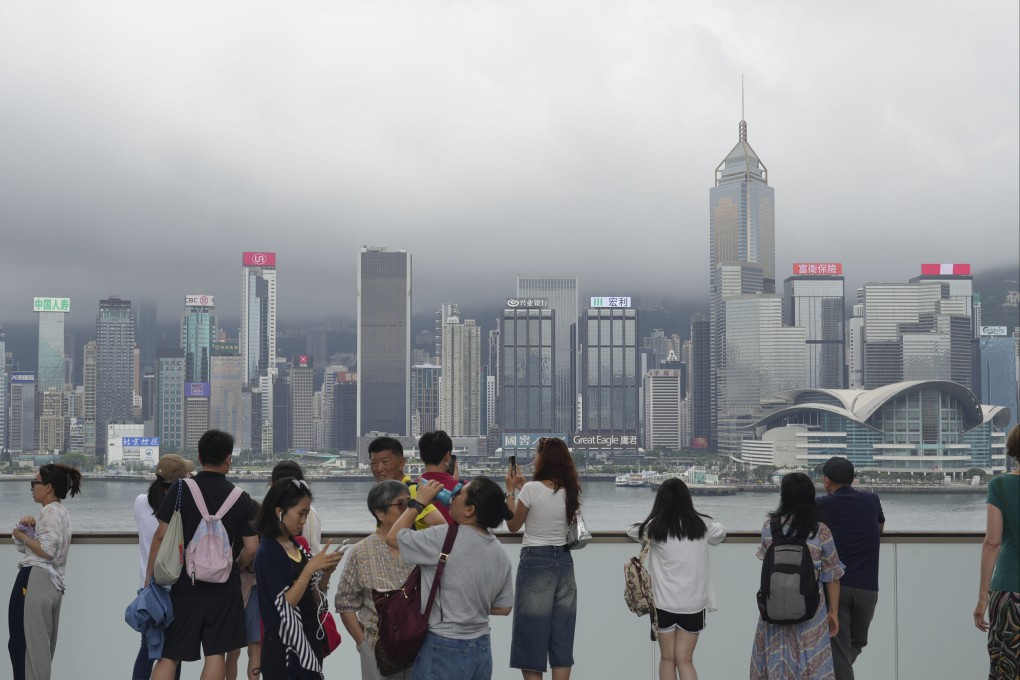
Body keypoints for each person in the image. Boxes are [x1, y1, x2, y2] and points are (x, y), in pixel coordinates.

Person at [145, 429, 259, 680]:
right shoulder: (241, 498)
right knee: (216, 654)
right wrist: (234, 568)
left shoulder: (181, 489)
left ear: (199, 456)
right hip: (224, 588)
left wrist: (150, 578)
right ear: (229, 458)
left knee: (170, 654)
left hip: (186, 585)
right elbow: (252, 547)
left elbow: (161, 536)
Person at [386, 476, 514, 680]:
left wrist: (418, 503)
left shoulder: (444, 536)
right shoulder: (500, 551)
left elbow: (393, 538)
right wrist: (467, 603)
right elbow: (505, 607)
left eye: (458, 494)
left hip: (444, 646)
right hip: (481, 648)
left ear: (469, 510)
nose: (451, 497)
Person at [626, 478, 726, 680]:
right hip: (693, 604)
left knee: (667, 658)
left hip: (663, 603)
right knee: (686, 660)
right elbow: (720, 534)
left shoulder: (654, 527)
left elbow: (631, 529)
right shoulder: (702, 524)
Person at [750, 472, 844, 680]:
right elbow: (832, 575)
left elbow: (765, 559)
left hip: (774, 607)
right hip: (811, 608)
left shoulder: (769, 526)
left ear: (784, 495)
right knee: (810, 658)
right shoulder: (821, 530)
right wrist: (833, 613)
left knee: (776, 657)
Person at [504, 437, 581, 680]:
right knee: (562, 636)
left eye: (537, 455)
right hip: (565, 563)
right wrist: (523, 489)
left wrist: (509, 492)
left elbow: (514, 525)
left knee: (531, 635)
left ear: (543, 459)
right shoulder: (570, 490)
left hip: (535, 561)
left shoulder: (531, 490)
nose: (534, 459)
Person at [255, 477, 343, 680]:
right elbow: (284, 604)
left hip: (308, 637)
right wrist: (309, 569)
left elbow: (314, 598)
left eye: (306, 513)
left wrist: (324, 577)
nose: (304, 520)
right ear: (279, 512)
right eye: (300, 513)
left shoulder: (297, 546)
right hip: (284, 647)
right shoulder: (268, 551)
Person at [335, 480, 415, 679]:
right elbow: (344, 602)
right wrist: (362, 643)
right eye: (400, 505)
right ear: (380, 513)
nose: (409, 510)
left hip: (418, 644)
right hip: (377, 647)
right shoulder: (361, 552)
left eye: (411, 503)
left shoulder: (419, 543)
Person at [9, 463, 82, 680]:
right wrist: (28, 531)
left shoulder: (49, 512)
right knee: (40, 649)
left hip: (36, 580)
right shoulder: (60, 512)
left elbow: (46, 550)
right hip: (53, 583)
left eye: (35, 483)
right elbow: (42, 546)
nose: (32, 487)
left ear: (48, 487)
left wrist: (22, 536)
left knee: (25, 646)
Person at [817, 456, 884, 680]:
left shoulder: (823, 505)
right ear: (853, 479)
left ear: (827, 480)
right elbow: (880, 525)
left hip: (837, 587)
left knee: (839, 648)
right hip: (868, 586)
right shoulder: (871, 500)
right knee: (857, 642)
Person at [133, 454, 193, 680]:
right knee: (173, 652)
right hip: (177, 587)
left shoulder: (141, 502)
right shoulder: (184, 508)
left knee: (147, 648)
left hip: (149, 588)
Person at [974, 423, 1020, 679]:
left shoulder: (1000, 485)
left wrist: (983, 597)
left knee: (1006, 665)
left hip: (1008, 592)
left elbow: (992, 542)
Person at [368, 437, 445, 530]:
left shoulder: (410, 492)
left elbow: (441, 526)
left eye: (385, 462)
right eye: (374, 463)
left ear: (401, 462)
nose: (379, 468)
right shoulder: (382, 493)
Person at [272, 461, 322, 552]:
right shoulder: (312, 512)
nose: (302, 521)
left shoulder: (276, 514)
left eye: (304, 514)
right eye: (300, 514)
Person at [418, 431, 462, 524]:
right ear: (447, 456)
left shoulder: (411, 488)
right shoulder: (464, 490)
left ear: (421, 457)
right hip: (455, 538)